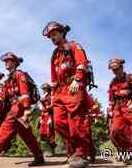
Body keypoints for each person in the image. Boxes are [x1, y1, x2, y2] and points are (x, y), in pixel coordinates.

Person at [0, 52, 44, 168]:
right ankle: (39, 157)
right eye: (5, 61)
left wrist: (27, 109)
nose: (6, 63)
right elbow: (2, 98)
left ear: (15, 63)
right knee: (26, 134)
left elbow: (24, 92)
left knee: (5, 129)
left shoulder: (19, 74)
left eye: (9, 61)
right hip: (14, 107)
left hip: (20, 107)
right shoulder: (8, 81)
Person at [42, 21, 92, 168]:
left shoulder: (74, 46)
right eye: (50, 36)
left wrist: (77, 79)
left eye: (54, 34)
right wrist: (52, 94)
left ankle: (81, 153)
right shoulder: (54, 54)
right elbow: (53, 77)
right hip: (59, 92)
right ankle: (80, 148)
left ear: (62, 33)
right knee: (58, 124)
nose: (52, 37)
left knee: (77, 122)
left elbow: (82, 63)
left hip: (73, 88)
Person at [107, 58, 132, 166]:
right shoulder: (112, 82)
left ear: (122, 67)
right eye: (113, 70)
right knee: (114, 131)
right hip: (117, 108)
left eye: (117, 69)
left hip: (130, 107)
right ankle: (125, 152)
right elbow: (111, 98)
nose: (115, 71)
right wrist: (110, 110)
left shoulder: (131, 78)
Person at [38, 83, 57, 155]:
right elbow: (40, 105)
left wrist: (48, 107)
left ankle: (53, 151)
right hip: (43, 115)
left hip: (49, 115)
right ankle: (40, 151)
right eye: (43, 89)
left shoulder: (51, 96)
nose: (44, 90)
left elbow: (52, 105)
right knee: (42, 133)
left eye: (45, 88)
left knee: (50, 132)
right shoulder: (43, 96)